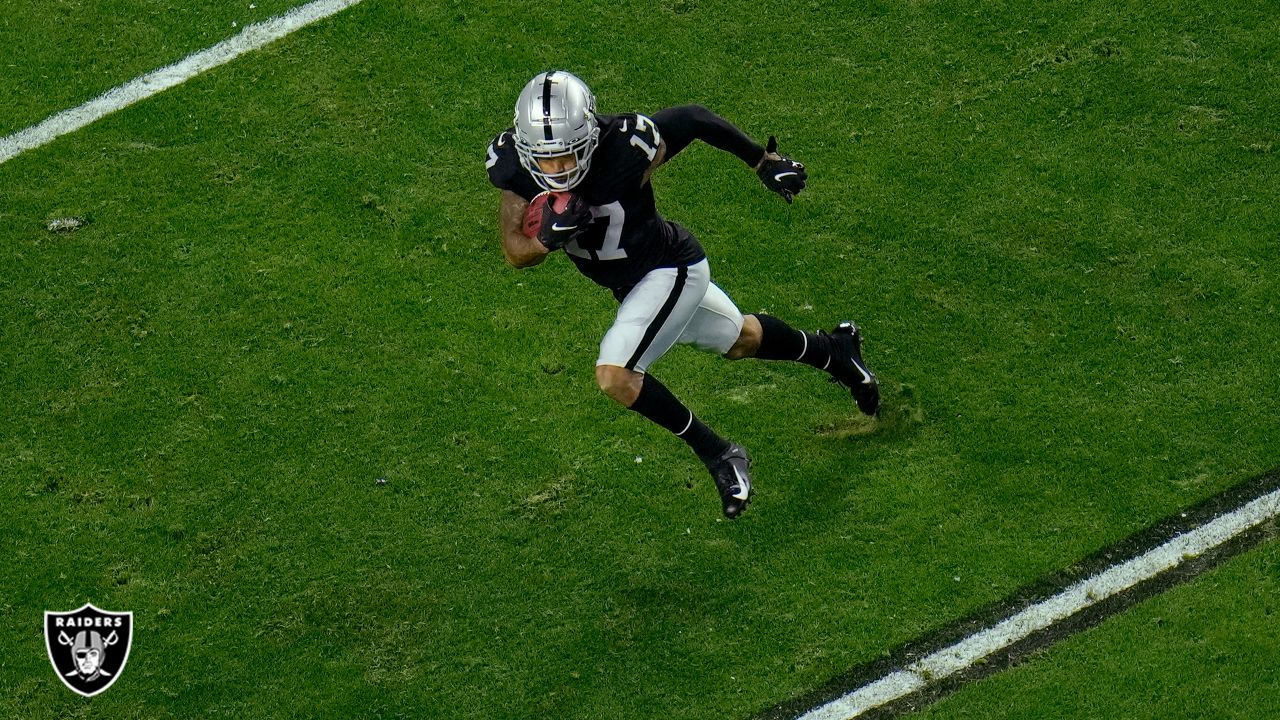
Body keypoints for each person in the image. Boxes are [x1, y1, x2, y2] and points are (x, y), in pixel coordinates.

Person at [485, 70, 880, 519]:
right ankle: (835, 351)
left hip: (671, 267)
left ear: (590, 134)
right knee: (741, 339)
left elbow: (692, 118)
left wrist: (761, 161)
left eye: (569, 154)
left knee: (615, 374)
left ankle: (719, 453)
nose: (558, 169)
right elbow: (516, 252)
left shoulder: (623, 146)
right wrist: (545, 242)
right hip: (632, 286)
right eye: (547, 158)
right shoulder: (515, 167)